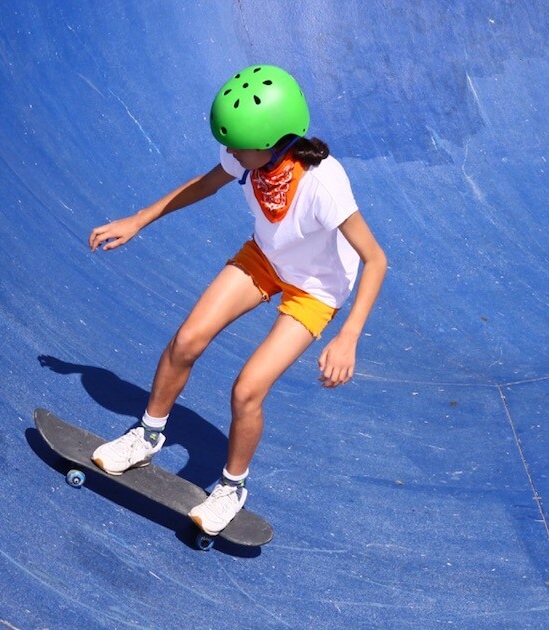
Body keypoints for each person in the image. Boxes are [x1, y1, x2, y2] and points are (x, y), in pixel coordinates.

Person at [87, 65, 386, 536]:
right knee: (187, 340)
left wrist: (348, 337)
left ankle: (231, 487)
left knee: (247, 389)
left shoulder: (323, 183)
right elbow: (205, 184)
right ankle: (147, 435)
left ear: (272, 140)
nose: (228, 152)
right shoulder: (254, 156)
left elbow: (376, 260)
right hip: (267, 257)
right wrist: (138, 220)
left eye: (236, 146)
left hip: (316, 289)